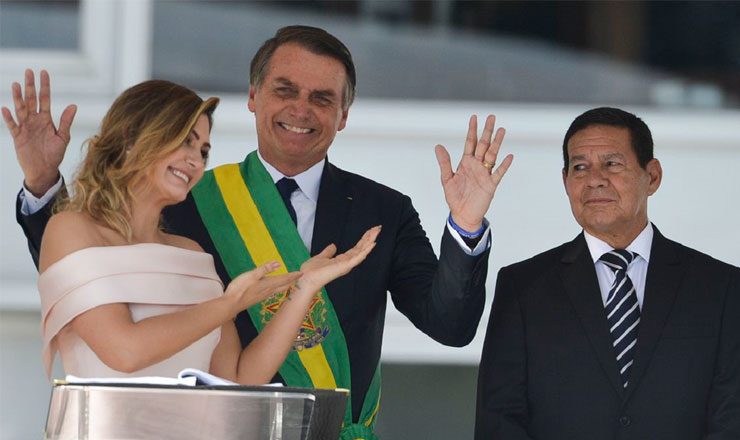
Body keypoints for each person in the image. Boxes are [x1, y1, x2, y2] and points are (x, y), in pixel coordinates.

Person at [8, 26, 513, 439]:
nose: (301, 109)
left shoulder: (384, 210)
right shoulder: (189, 202)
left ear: (344, 115)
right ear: (253, 96)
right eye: (284, 90)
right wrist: (44, 186)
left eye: (322, 98)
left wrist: (466, 224)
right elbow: (84, 279)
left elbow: (451, 326)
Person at [4, 78, 380, 384]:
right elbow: (125, 351)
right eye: (184, 141)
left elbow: (236, 379)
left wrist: (303, 290)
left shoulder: (192, 253)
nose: (196, 160)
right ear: (134, 139)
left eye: (203, 150)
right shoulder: (71, 229)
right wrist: (229, 304)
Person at [475, 107, 740, 439]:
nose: (594, 179)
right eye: (580, 167)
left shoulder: (722, 287)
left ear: (652, 176)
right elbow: (499, 421)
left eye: (612, 164)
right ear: (565, 181)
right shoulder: (522, 287)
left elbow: (731, 418)